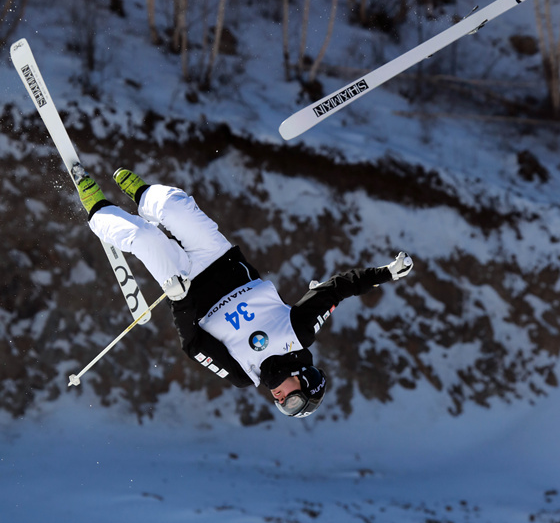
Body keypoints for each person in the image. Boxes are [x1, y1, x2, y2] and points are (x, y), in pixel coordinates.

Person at [73, 166, 413, 418]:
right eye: (292, 400)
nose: (280, 399)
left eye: (283, 407)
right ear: (304, 379)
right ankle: (144, 195)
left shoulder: (242, 374)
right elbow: (338, 289)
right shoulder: (299, 332)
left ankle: (97, 210)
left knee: (145, 239)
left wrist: (179, 302)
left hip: (187, 288)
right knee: (176, 207)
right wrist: (384, 273)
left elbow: (193, 346)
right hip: (220, 259)